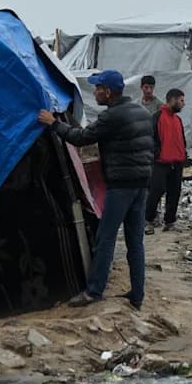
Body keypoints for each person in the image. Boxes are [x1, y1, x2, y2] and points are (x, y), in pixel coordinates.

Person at [38, 70, 153, 310]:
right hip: (141, 185)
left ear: (108, 92)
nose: (95, 92)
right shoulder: (142, 112)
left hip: (120, 187)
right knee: (135, 242)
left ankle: (94, 291)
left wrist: (53, 123)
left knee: (105, 238)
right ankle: (138, 294)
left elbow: (80, 138)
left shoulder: (112, 117)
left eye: (98, 88)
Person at [146, 88, 187, 233]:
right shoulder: (157, 117)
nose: (183, 103)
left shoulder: (177, 120)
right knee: (156, 191)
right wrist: (156, 155)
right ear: (173, 100)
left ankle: (170, 221)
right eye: (181, 100)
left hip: (177, 162)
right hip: (160, 163)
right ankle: (148, 220)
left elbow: (181, 139)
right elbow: (150, 139)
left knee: (174, 192)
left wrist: (183, 156)